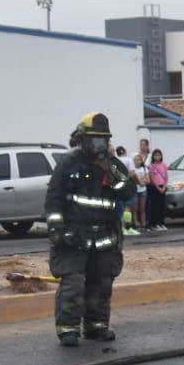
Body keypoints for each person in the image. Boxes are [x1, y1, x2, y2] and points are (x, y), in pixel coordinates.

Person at [45, 113, 136, 345]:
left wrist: (109, 169)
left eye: (103, 140)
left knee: (101, 282)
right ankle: (68, 329)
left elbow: (128, 192)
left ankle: (97, 326)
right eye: (95, 140)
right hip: (74, 237)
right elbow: (54, 198)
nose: (99, 145)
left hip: (105, 237)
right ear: (83, 140)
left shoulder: (112, 166)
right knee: (73, 283)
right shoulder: (69, 163)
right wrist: (57, 229)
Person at [147, 148, 169, 231]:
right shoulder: (152, 166)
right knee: (155, 206)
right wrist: (158, 188)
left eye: (159, 155)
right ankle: (155, 223)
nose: (157, 157)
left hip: (163, 186)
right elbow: (152, 178)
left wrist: (164, 187)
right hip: (155, 187)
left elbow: (166, 178)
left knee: (162, 206)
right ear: (153, 156)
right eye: (155, 155)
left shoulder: (164, 165)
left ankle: (161, 223)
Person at [131, 154, 150, 230]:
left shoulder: (144, 169)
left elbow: (148, 180)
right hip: (135, 190)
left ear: (141, 161)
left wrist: (143, 182)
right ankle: (136, 223)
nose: (137, 161)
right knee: (135, 208)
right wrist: (140, 181)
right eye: (136, 160)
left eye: (139, 160)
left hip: (143, 190)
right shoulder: (132, 170)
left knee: (142, 208)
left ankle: (143, 223)